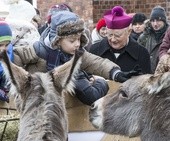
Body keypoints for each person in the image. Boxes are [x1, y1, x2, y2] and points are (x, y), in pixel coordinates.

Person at [12, 10, 141, 105]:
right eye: (72, 40)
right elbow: (17, 54)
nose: (77, 44)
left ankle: (100, 84)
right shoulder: (38, 51)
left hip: (63, 105)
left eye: (79, 39)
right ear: (57, 40)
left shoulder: (76, 53)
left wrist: (115, 73)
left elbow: (96, 62)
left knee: (88, 94)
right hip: (39, 101)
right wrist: (22, 82)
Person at [90, 6, 151, 74]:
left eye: (117, 36)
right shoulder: (95, 50)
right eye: (110, 35)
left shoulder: (142, 54)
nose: (113, 39)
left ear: (129, 32)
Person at [138, 5, 169, 73]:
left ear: (164, 21)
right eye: (153, 20)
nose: (155, 24)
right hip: (146, 77)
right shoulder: (144, 37)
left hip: (163, 77)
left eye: (158, 20)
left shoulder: (168, 36)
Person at [0, 20, 14, 102]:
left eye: (7, 44)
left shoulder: (8, 53)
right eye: (0, 45)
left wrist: (4, 87)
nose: (4, 48)